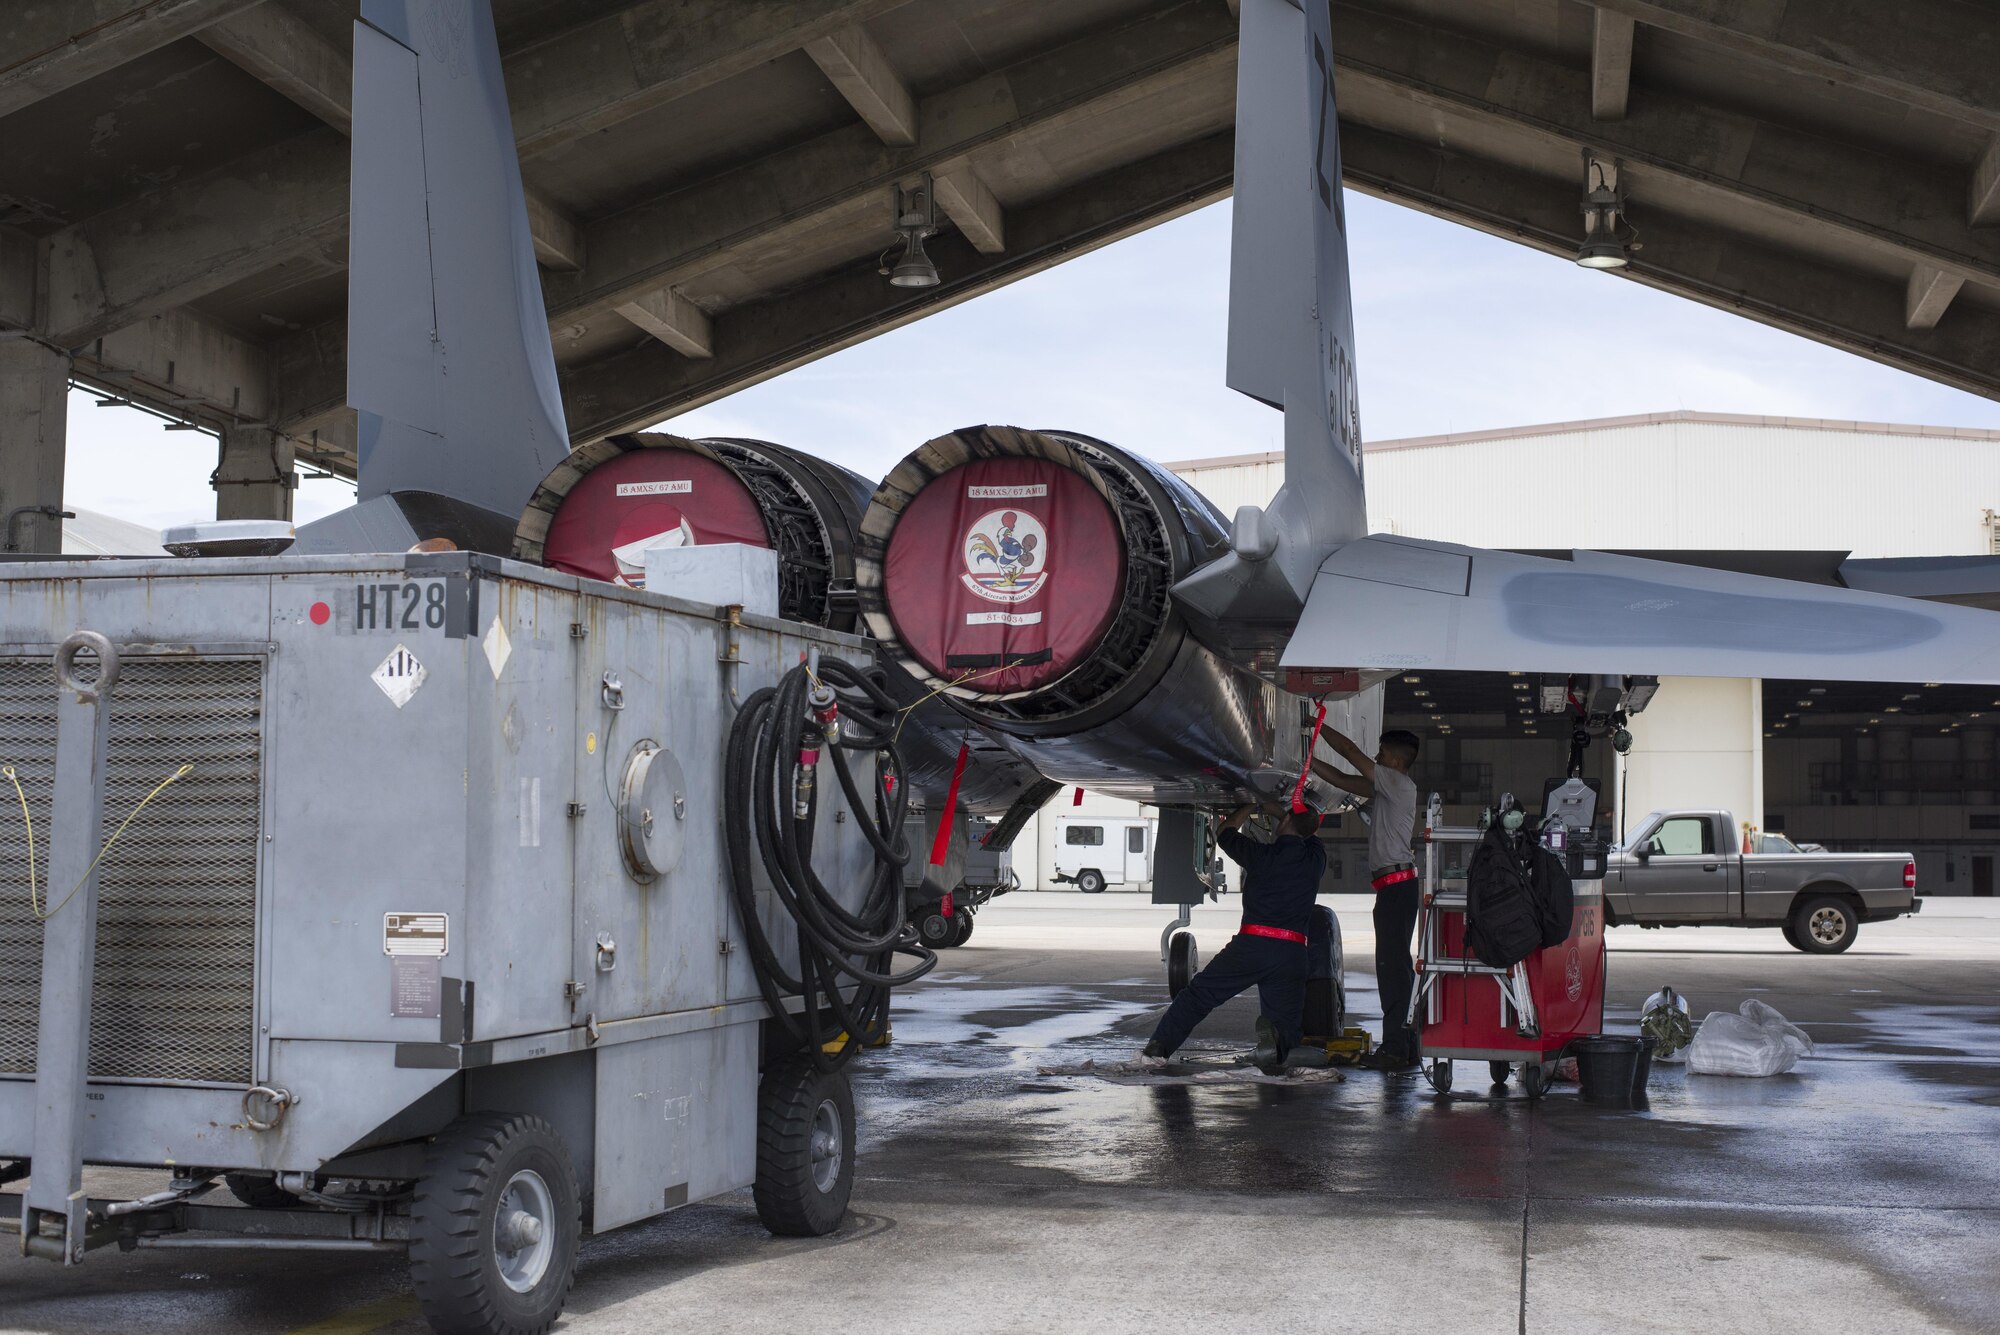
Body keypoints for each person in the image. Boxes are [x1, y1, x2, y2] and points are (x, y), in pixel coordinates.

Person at [1141, 802, 1326, 1068]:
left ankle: (1159, 1047)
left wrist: (1250, 806)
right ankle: (1277, 1051)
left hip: (1252, 947)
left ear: (1284, 823)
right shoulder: (1315, 859)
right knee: (1285, 1023)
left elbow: (1225, 830)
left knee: (1198, 996)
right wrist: (1289, 817)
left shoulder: (1260, 855)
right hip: (1292, 953)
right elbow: (1310, 832)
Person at [1314, 729, 1423, 1072]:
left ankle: (1394, 1049)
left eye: (1380, 754)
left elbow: (1348, 750)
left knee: (1392, 971)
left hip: (1396, 889)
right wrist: (1307, 762)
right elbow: (1346, 780)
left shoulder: (1398, 783)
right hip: (1396, 888)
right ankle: (1406, 1045)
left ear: (1394, 760)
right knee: (1398, 970)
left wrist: (1318, 723)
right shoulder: (1390, 787)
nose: (1375, 758)